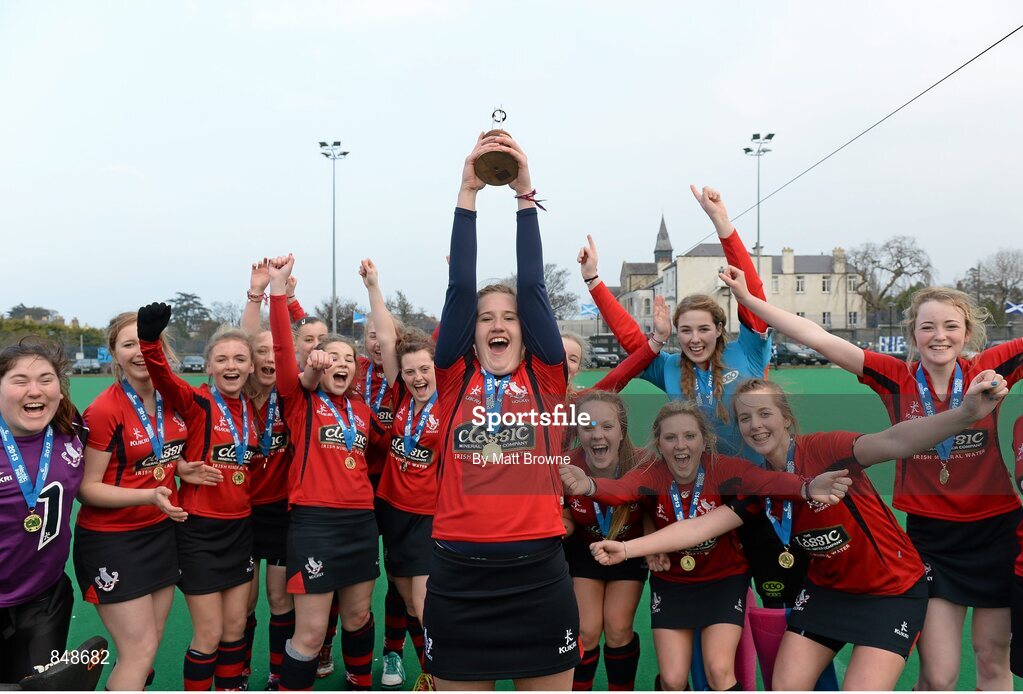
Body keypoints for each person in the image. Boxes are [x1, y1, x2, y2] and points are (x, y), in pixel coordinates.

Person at [591, 372, 1009, 690]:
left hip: (890, 593)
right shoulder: (758, 481)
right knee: (785, 686)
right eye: (745, 418)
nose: (755, 425)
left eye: (765, 413)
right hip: (826, 592)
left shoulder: (825, 450)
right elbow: (699, 526)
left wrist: (965, 415)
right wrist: (627, 551)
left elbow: (895, 441)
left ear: (786, 418)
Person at [719, 266, 1023, 690]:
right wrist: (750, 302)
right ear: (913, 334)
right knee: (939, 676)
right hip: (931, 539)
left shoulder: (990, 369)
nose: (940, 335)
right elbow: (818, 337)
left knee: (992, 663)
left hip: (994, 531)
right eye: (928, 326)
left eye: (951, 326)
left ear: (967, 331)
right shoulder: (895, 376)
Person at [425, 132, 577, 690]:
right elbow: (459, 288)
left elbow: (534, 286)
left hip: (536, 572)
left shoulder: (545, 378)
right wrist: (467, 192)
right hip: (457, 573)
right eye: (487, 317)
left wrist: (524, 195)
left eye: (508, 317)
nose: (496, 324)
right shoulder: (452, 377)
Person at [561, 400, 842, 691]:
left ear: (704, 441)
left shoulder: (724, 469)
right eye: (670, 438)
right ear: (659, 442)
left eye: (689, 436)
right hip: (672, 581)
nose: (680, 445)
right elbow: (622, 490)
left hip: (723, 579)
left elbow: (767, 480)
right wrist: (590, 486)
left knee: (718, 670)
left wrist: (806, 487)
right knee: (672, 679)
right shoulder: (653, 474)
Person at [76, 312, 218, 690]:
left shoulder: (172, 400)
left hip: (159, 534)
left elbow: (161, 454)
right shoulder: (105, 409)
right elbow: (86, 488)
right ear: (114, 354)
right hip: (112, 541)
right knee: (138, 651)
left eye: (145, 343)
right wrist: (148, 496)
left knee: (148, 647)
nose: (139, 353)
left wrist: (182, 468)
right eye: (128, 345)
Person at [267, 254, 380, 691]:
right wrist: (279, 291)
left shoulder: (362, 410)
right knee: (311, 633)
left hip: (360, 523)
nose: (342, 363)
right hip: (315, 524)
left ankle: (359, 684)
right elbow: (281, 346)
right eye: (332, 357)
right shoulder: (300, 401)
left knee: (356, 617)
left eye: (348, 358)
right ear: (317, 361)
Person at [138, 305, 259, 691]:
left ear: (251, 367)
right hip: (200, 532)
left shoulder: (253, 412)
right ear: (208, 365)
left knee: (236, 627)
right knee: (208, 634)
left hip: (240, 529)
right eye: (222, 358)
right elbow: (165, 379)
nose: (231, 365)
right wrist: (149, 342)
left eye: (240, 358)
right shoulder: (198, 402)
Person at [362, 258, 441, 690]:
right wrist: (375, 287)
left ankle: (442, 670)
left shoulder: (447, 405)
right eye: (409, 371)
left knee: (424, 600)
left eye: (424, 370)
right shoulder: (399, 393)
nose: (415, 377)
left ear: (435, 370)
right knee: (404, 597)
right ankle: (413, 662)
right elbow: (387, 338)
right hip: (392, 508)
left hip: (428, 514)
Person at [0, 338, 86, 682]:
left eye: (46, 380)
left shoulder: (72, 428)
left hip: (44, 597)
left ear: (60, 392)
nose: (35, 390)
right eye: (20, 381)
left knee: (39, 687)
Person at [561, 392, 649, 691]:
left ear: (622, 431)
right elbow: (566, 517)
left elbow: (651, 514)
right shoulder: (565, 466)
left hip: (628, 552)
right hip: (585, 551)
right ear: (578, 433)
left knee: (617, 627)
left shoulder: (643, 464)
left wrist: (653, 548)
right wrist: (558, 527)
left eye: (607, 427)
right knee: (585, 631)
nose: (598, 435)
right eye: (587, 427)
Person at [241, 262, 298, 691]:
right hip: (239, 512)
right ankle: (237, 673)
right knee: (242, 605)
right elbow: (238, 344)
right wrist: (255, 295)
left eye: (271, 351)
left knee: (280, 599)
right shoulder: (237, 396)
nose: (265, 358)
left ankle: (279, 672)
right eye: (257, 352)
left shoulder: (290, 394)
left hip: (281, 511)